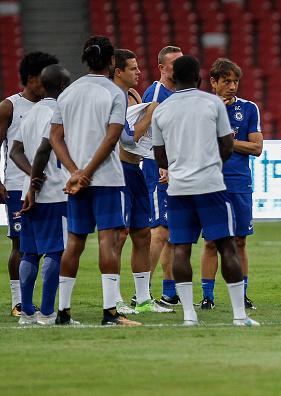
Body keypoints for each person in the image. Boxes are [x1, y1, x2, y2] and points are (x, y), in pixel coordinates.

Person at [152, 55, 259, 326]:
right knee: (227, 245)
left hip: (178, 189)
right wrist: (211, 165)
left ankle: (189, 314)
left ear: (173, 78)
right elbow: (226, 144)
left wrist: (179, 166)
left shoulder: (162, 110)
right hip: (211, 186)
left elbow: (160, 157)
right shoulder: (212, 103)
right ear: (200, 78)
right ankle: (239, 315)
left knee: (180, 249)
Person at [49, 36, 141, 326]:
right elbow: (113, 135)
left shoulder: (68, 92)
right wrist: (88, 171)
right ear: (112, 61)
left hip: (75, 181)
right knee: (108, 240)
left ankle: (63, 313)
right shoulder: (114, 93)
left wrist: (75, 171)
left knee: (74, 242)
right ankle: (110, 312)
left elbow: (55, 137)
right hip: (106, 178)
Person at [8, 64, 70, 325]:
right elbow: (46, 149)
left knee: (29, 252)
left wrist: (31, 179)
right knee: (56, 252)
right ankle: (46, 313)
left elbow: (15, 151)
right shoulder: (59, 112)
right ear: (63, 86)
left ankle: (27, 315)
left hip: (28, 192)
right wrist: (39, 179)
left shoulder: (31, 113)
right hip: (55, 192)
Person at [111, 49, 171, 314]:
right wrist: (152, 113)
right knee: (118, 235)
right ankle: (113, 298)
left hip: (136, 168)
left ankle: (143, 298)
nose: (139, 72)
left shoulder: (133, 95)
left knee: (142, 235)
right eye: (133, 69)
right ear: (118, 72)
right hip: (118, 170)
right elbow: (128, 138)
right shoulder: (111, 98)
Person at [199, 58, 262, 310]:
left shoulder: (248, 109)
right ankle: (207, 296)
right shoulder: (202, 108)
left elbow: (256, 147)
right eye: (227, 81)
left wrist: (223, 140)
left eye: (236, 81)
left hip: (238, 182)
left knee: (240, 241)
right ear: (214, 82)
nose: (233, 86)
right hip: (209, 181)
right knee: (211, 241)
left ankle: (242, 294)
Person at [0, 51, 58, 316]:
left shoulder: (53, 107)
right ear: (33, 78)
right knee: (20, 245)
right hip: (17, 185)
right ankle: (19, 302)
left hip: (51, 188)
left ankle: (42, 303)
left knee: (50, 247)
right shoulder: (9, 107)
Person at [141, 45, 183, 307]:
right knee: (159, 229)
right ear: (162, 68)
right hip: (158, 166)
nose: (179, 67)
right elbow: (150, 131)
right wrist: (161, 163)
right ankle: (141, 292)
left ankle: (169, 290)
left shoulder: (177, 93)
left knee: (170, 229)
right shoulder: (158, 92)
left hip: (172, 165)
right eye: (174, 63)